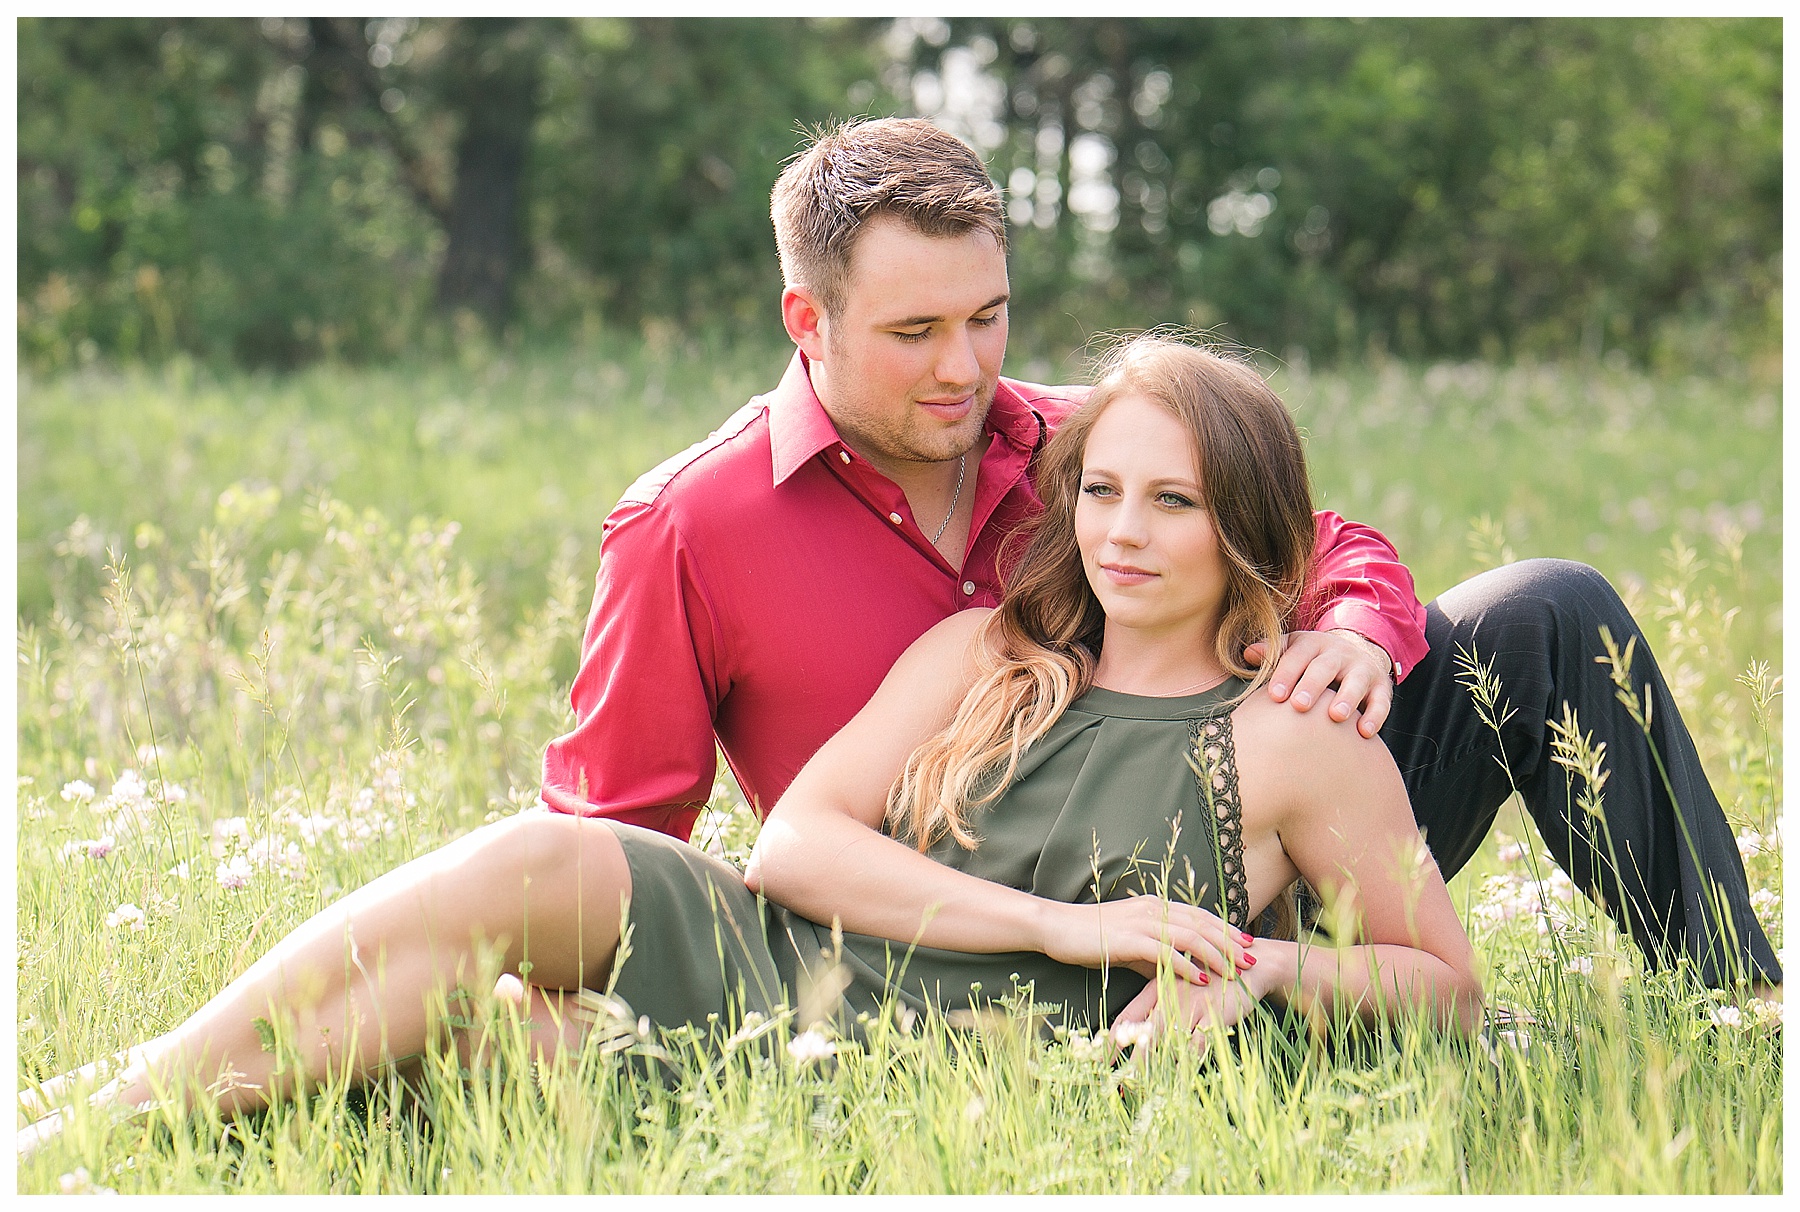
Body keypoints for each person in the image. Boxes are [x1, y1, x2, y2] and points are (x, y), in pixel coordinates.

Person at [19, 336, 1483, 1154]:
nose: (1122, 532)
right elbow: (792, 845)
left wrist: (1265, 969)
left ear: (1249, 520)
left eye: (1173, 502)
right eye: (1102, 490)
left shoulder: (1293, 739)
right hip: (796, 961)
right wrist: (1066, 918)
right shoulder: (989, 654)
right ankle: (103, 1126)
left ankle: (156, 1142)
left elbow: (1445, 987)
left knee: (468, 1043)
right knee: (537, 864)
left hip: (928, 1071)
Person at [540, 116, 1778, 992]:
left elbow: (1321, 537)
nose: (965, 368)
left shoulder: (1089, 446)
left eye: (988, 317)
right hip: (961, 940)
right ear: (806, 321)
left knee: (1545, 610)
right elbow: (608, 847)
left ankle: (1745, 1007)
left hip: (1241, 840)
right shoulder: (687, 529)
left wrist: (1350, 625)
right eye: (915, 332)